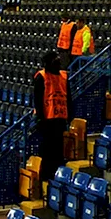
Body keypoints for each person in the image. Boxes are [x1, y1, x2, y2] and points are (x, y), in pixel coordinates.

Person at [33, 50, 71, 181]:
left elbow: (69, 98)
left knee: (59, 149)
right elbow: (38, 100)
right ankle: (46, 176)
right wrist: (40, 119)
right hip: (47, 120)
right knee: (47, 150)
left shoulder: (64, 76)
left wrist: (69, 117)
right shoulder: (41, 77)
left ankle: (57, 176)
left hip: (60, 118)